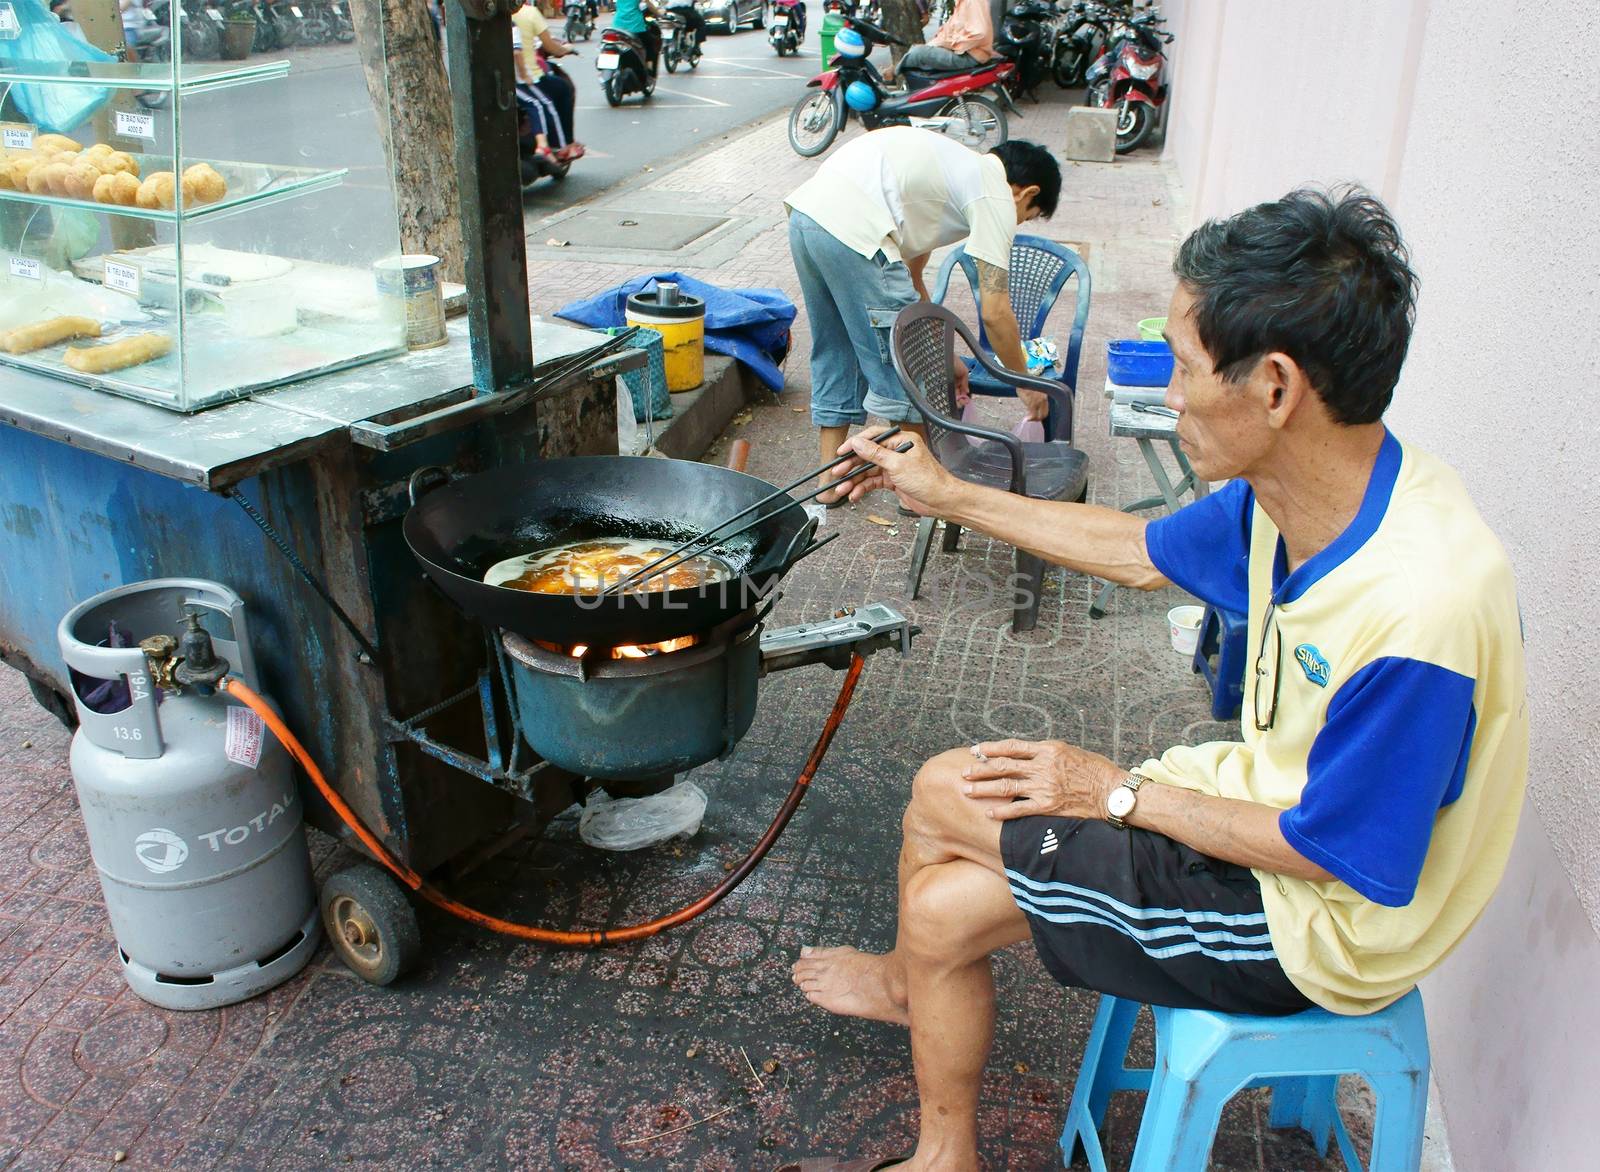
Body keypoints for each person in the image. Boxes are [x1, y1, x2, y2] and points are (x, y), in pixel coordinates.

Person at [784, 187, 1529, 1171]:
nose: (1169, 395)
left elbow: (1341, 859)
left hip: (1310, 927)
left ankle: (931, 1101)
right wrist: (947, 491)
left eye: (1182, 367)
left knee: (939, 899)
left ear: (1272, 387)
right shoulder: (1304, 490)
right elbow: (1138, 549)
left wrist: (1118, 794)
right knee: (941, 792)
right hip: (1252, 817)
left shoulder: (1420, 611)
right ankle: (912, 1011)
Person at [785, 128, 1058, 506]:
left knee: (837, 351)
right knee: (905, 369)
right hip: (855, 230)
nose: (1018, 223)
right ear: (1027, 193)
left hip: (807, 218)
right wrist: (1025, 383)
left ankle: (829, 482)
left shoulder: (952, 171)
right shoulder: (994, 193)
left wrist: (946, 356)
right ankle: (918, 495)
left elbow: (911, 285)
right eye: (1026, 217)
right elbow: (995, 312)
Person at [512, 0, 584, 163]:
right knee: (559, 92)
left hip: (514, 77)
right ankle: (562, 146)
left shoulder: (500, 18)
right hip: (527, 76)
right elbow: (550, 47)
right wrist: (566, 49)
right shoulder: (528, 13)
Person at [892, 0, 993, 78]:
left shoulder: (973, 2)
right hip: (962, 51)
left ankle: (893, 74)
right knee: (917, 50)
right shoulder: (961, 3)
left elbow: (979, 33)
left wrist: (951, 45)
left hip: (969, 55)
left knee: (919, 53)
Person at [611, 0, 663, 75]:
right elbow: (650, 6)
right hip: (635, 26)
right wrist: (659, 15)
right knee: (650, 44)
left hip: (618, 26)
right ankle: (649, 69)